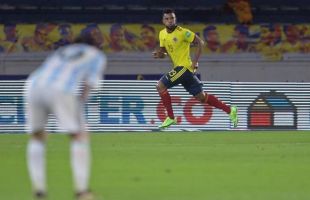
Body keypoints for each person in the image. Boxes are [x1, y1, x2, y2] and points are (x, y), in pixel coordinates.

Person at [24, 33, 107, 199]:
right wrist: (79, 106)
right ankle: (81, 191)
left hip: (32, 85)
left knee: (37, 137)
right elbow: (90, 83)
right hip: (60, 88)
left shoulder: (62, 51)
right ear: (94, 45)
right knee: (79, 136)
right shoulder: (96, 55)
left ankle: (39, 190)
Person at [153, 8, 238, 129]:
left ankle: (171, 118)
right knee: (201, 97)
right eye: (167, 18)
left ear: (175, 19)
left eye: (172, 18)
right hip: (181, 70)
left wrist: (195, 61)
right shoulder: (162, 34)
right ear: (163, 21)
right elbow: (164, 51)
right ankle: (230, 110)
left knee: (160, 85)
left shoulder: (183, 32)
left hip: (184, 67)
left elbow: (200, 42)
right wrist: (160, 55)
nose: (170, 20)